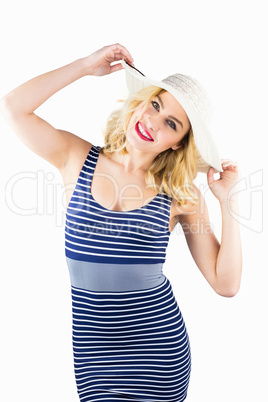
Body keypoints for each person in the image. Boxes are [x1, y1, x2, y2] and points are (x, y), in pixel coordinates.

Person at [0, 43, 242, 402]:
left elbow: (226, 283)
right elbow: (14, 107)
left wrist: (227, 202)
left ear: (177, 144)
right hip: (94, 355)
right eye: (155, 105)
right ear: (141, 101)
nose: (152, 122)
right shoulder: (75, 157)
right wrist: (84, 66)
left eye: (170, 124)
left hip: (158, 355)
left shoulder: (180, 195)